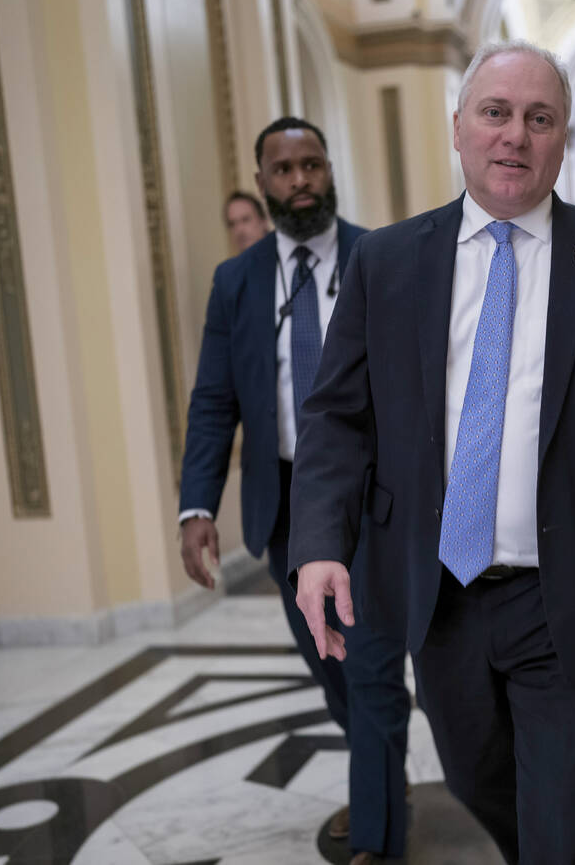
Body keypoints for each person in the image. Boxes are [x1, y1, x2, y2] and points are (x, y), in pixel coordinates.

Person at [288, 41, 575, 864]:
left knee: (563, 824)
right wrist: (316, 546)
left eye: (538, 118)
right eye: (495, 113)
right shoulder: (387, 262)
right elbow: (339, 417)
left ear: (560, 138)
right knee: (480, 780)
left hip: (568, 595)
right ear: (459, 128)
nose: (514, 136)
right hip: (439, 595)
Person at [178, 117, 410, 865]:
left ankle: (377, 831)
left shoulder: (382, 256)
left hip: (373, 498)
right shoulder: (236, 282)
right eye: (284, 169)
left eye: (312, 164)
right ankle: (382, 768)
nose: (301, 180)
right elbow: (214, 400)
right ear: (262, 181)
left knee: (372, 659)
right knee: (331, 657)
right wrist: (197, 506)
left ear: (330, 169)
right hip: (283, 500)